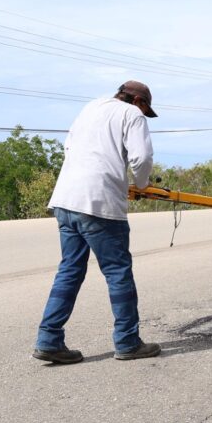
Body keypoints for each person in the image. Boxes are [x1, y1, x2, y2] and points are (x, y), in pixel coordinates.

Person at [33, 80, 161, 364]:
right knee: (118, 272)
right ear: (138, 101)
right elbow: (142, 157)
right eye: (145, 108)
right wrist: (142, 184)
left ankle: (48, 340)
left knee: (69, 270)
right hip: (99, 203)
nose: (144, 113)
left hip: (66, 199)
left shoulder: (91, 107)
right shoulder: (132, 114)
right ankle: (128, 342)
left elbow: (69, 146)